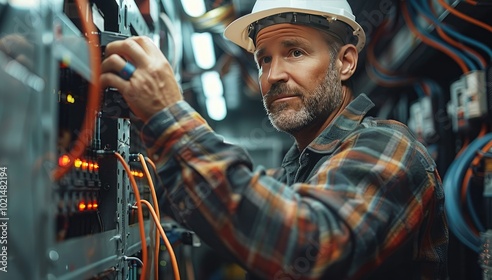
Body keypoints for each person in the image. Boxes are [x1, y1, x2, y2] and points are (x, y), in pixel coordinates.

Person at [100, 0, 448, 279]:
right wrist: (147, 126)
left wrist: (170, 117)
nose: (273, 75)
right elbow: (220, 204)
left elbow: (310, 248)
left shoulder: (389, 146)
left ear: (344, 62)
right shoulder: (299, 170)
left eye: (295, 52)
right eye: (264, 59)